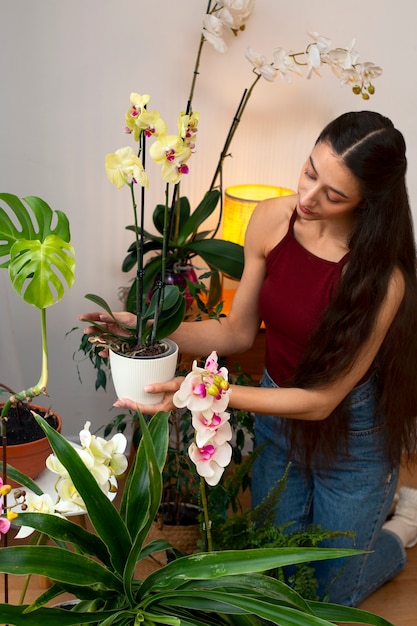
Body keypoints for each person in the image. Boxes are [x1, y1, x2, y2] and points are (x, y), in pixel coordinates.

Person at [81, 111, 417, 607]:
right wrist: (147, 326)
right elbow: (237, 333)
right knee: (275, 581)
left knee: (326, 596)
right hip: (277, 417)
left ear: (369, 200)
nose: (308, 197)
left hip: (352, 436)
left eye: (334, 194)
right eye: (310, 172)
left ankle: (401, 525)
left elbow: (323, 401)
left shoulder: (382, 279)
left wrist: (204, 393)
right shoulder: (272, 221)